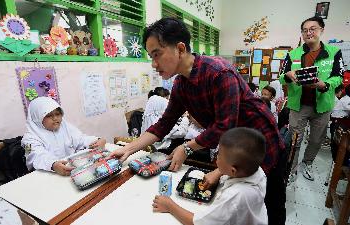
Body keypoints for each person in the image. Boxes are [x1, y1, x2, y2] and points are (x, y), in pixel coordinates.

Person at [110, 17, 286, 224]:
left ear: (180, 48)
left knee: (268, 203)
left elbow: (223, 126)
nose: (154, 64)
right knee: (233, 204)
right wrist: (130, 149)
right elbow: (164, 124)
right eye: (150, 56)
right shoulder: (180, 85)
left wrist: (187, 147)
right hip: (234, 148)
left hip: (259, 143)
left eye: (157, 54)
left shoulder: (220, 73)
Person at [152, 127, 268, 225]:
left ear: (233, 170)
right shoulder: (256, 170)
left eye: (219, 155)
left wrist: (170, 206)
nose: (216, 157)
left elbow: (198, 223)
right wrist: (219, 171)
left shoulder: (235, 197)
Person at [279, 16, 344, 182]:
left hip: (322, 104)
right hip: (298, 105)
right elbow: (281, 77)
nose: (309, 33)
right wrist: (287, 75)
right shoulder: (292, 54)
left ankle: (307, 163)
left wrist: (325, 85)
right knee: (295, 140)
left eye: (312, 29)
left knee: (316, 140)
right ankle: (291, 168)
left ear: (321, 30)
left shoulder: (334, 52)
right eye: (305, 30)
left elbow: (339, 77)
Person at [22, 97, 106, 176]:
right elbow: (36, 156)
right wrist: (53, 165)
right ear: (37, 117)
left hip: (71, 170)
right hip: (47, 175)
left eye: (58, 114)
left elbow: (81, 139)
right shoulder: (29, 138)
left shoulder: (65, 126)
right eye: (48, 115)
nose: (55, 118)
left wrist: (97, 140)